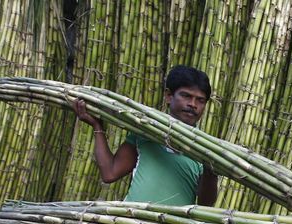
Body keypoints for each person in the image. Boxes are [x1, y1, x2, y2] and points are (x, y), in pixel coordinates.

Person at [73, 65, 217, 206]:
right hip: (132, 222)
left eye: (200, 100)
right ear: (168, 96)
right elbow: (110, 173)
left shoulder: (204, 148)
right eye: (186, 96)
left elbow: (205, 203)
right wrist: (97, 126)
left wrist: (210, 168)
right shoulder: (145, 130)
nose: (193, 104)